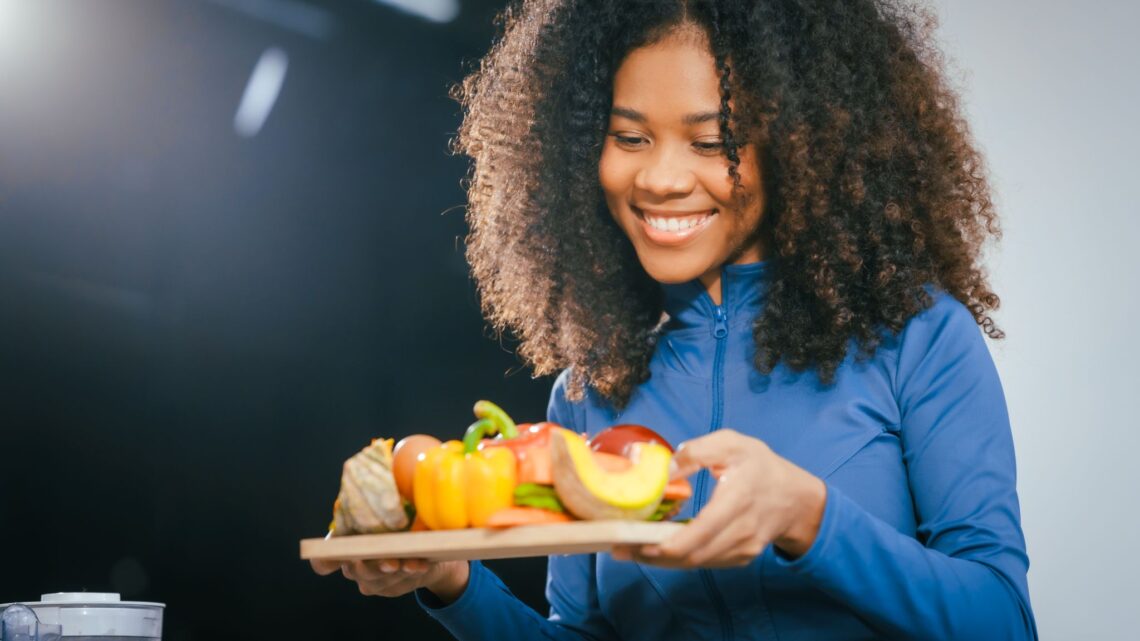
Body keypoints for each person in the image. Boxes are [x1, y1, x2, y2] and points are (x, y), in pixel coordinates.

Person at [312, 0, 1038, 638]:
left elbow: (1002, 620)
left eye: (712, 139)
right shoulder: (588, 393)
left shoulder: (918, 337)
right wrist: (451, 583)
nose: (660, 177)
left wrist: (808, 516)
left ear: (801, 139)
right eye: (630, 137)